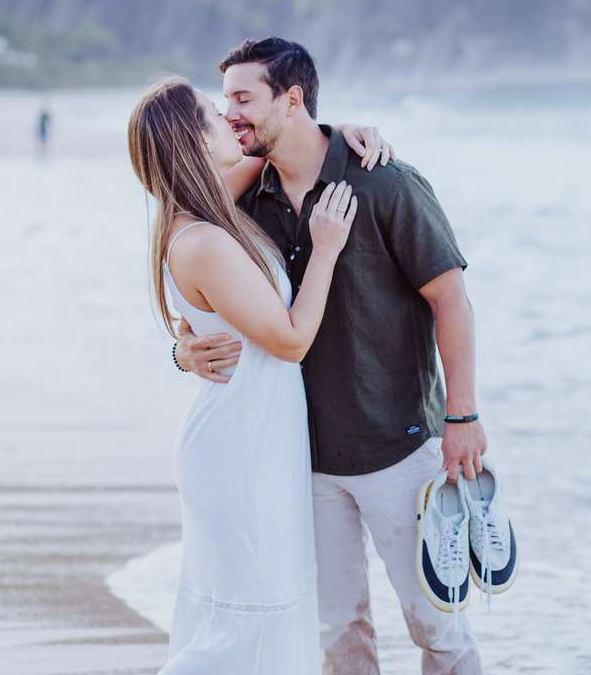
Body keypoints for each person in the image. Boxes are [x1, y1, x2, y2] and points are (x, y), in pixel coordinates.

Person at [176, 38, 486, 675]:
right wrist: (183, 348)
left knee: (439, 628)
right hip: (301, 463)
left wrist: (463, 417)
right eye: (224, 100)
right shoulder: (241, 202)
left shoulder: (385, 183)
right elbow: (187, 275)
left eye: (243, 98)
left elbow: (450, 299)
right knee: (339, 636)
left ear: (292, 100)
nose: (229, 112)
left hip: (397, 447)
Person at [127, 74, 394, 674]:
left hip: (255, 440)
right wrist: (324, 248)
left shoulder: (208, 205)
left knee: (255, 621)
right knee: (243, 630)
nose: (229, 116)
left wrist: (333, 138)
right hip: (240, 450)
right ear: (194, 142)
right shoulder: (202, 241)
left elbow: (288, 161)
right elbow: (293, 341)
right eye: (213, 112)